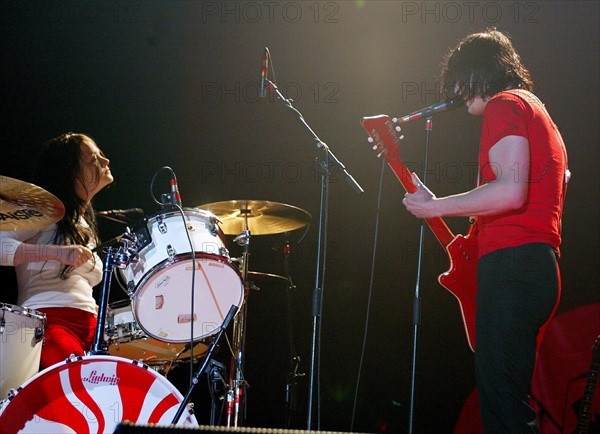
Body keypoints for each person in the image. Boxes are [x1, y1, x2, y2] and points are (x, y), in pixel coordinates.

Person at [402, 29, 569, 432]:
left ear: (479, 72)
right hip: (534, 267)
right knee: (506, 404)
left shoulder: (504, 105)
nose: (457, 93)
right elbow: (550, 182)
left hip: (514, 266)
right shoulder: (536, 110)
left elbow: (510, 192)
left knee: (503, 414)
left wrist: (435, 208)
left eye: (460, 81)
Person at [0, 133, 113, 370]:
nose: (105, 161)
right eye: (93, 159)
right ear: (70, 172)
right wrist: (56, 253)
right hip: (51, 322)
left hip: (90, 325)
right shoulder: (41, 212)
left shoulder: (81, 223)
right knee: (72, 382)